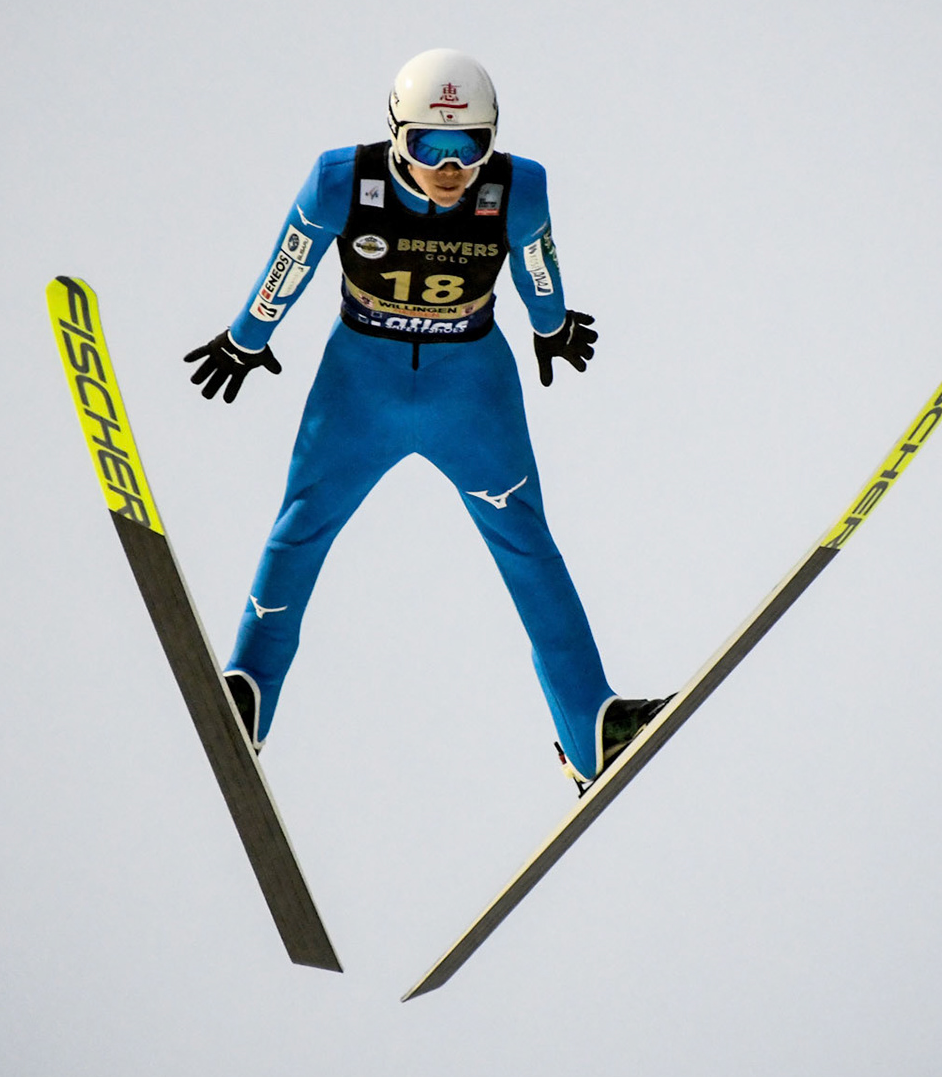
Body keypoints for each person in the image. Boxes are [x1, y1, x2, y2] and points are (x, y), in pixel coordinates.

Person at [184, 48, 663, 792]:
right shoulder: (343, 180)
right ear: (395, 135)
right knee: (301, 528)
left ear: (491, 140)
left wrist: (552, 325)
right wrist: (247, 337)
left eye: (469, 146)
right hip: (360, 386)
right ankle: (247, 692)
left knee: (527, 544)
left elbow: (538, 264)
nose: (449, 166)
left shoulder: (517, 188)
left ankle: (589, 727)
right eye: (428, 145)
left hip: (469, 390)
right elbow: (292, 257)